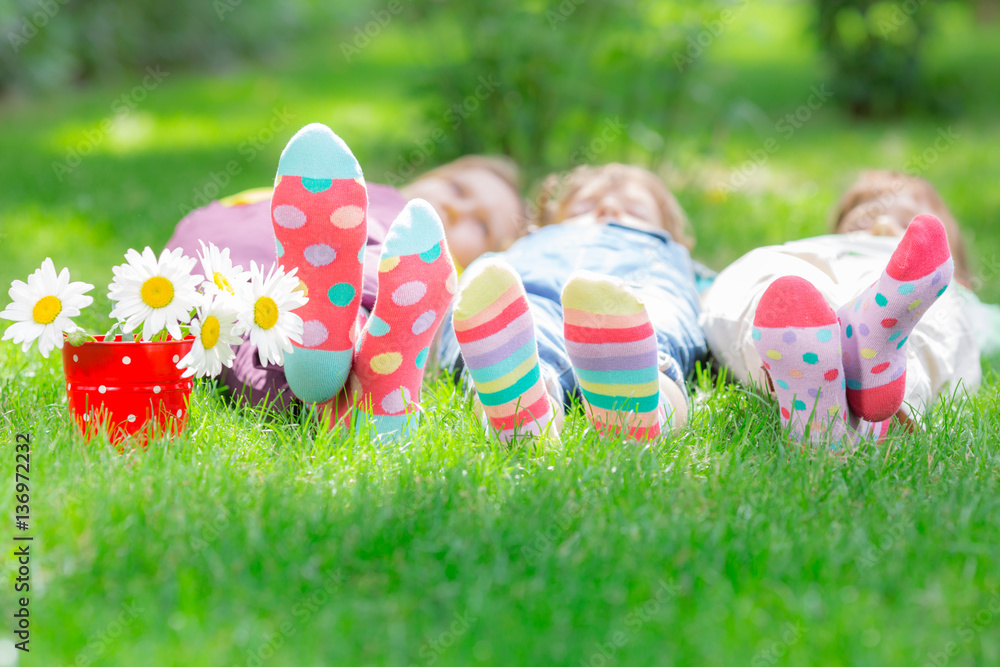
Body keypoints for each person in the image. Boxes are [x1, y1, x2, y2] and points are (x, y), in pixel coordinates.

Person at [164, 134, 524, 410]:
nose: (454, 209)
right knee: (383, 278)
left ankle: (324, 356)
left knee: (247, 338)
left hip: (237, 296)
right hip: (227, 256)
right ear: (431, 175)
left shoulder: (447, 276)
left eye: (480, 225)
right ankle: (342, 346)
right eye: (457, 188)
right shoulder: (367, 193)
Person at [700, 170, 985, 446]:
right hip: (816, 261)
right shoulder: (816, 247)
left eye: (905, 222)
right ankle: (857, 358)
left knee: (925, 319)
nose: (881, 224)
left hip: (893, 274)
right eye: (863, 218)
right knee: (780, 293)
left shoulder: (961, 297)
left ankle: (830, 404)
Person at [437, 163, 709, 443]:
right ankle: (522, 414)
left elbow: (716, 297)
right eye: (584, 207)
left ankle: (648, 407)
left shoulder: (677, 258)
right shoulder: (533, 242)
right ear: (551, 220)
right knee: (509, 339)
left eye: (635, 211)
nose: (608, 208)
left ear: (672, 235)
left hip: (641, 296)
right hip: (534, 298)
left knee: (657, 332)